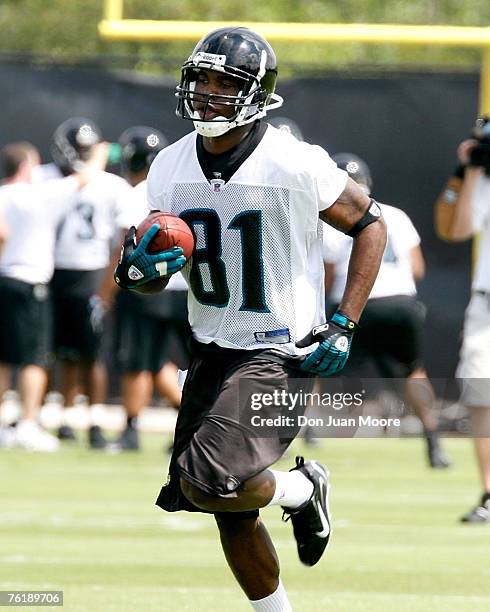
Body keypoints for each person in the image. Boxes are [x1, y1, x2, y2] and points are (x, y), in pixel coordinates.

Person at [114, 27, 387, 611]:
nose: (210, 95)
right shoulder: (167, 166)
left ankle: (297, 488)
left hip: (280, 350)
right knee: (229, 514)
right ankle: (296, 505)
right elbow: (166, 263)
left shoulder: (290, 160)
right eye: (202, 81)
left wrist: (344, 324)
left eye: (226, 83)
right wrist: (143, 275)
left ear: (258, 93)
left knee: (209, 481)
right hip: (211, 346)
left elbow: (372, 224)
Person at [323, 153, 450, 468]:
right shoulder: (396, 215)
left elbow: (327, 275)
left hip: (355, 304)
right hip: (400, 301)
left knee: (316, 361)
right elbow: (416, 269)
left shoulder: (330, 219)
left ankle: (307, 430)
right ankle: (433, 439)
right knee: (413, 371)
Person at [0, 140, 108, 451]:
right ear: (25, 167)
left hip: (4, 280)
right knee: (34, 358)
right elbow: (83, 178)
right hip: (30, 281)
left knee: (3, 359)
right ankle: (27, 424)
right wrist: (99, 154)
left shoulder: (3, 194)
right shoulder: (39, 195)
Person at [45, 118, 132, 448]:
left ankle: (94, 420)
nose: (81, 155)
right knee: (62, 352)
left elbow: (122, 239)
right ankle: (66, 418)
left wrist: (107, 285)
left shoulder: (112, 186)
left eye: (87, 150)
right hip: (54, 270)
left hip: (92, 271)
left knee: (92, 352)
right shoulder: (47, 179)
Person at [108, 125, 191, 451]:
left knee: (139, 361)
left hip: (147, 289)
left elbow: (122, 246)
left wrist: (109, 289)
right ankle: (192, 425)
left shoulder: (137, 193)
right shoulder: (185, 187)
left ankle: (131, 429)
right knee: (175, 364)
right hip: (188, 290)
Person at [434, 117, 490, 522]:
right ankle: (489, 493)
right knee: (480, 396)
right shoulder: (482, 180)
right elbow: (455, 228)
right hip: (486, 302)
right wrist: (468, 169)